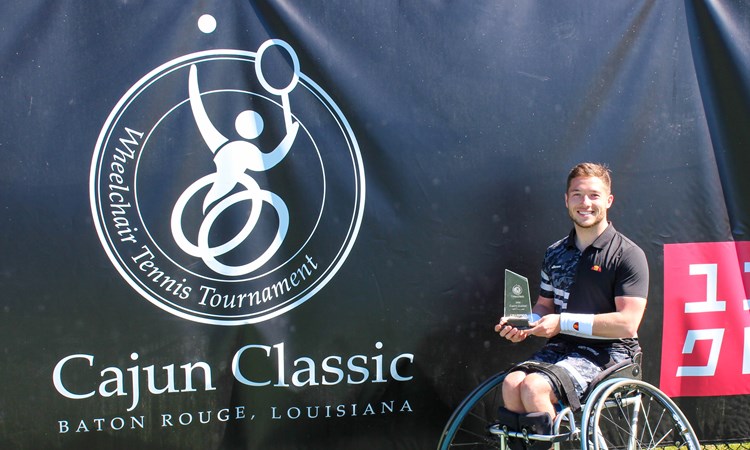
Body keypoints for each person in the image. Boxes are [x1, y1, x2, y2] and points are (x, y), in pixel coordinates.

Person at [494, 162, 649, 437]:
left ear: (609, 201)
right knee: (512, 382)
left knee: (534, 387)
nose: (585, 203)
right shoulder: (554, 253)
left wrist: (562, 323)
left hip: (611, 354)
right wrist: (524, 324)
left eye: (594, 195)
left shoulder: (628, 254)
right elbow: (544, 306)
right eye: (577, 194)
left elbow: (627, 323)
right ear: (566, 200)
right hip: (563, 350)